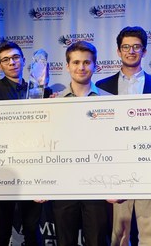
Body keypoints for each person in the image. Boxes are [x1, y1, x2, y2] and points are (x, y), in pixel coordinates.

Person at [96, 26, 151, 246]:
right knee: (119, 234)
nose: (131, 51)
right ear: (118, 51)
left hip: (150, 165)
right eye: (126, 47)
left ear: (144, 51)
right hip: (116, 166)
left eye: (136, 47)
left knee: (150, 233)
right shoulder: (101, 87)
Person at [0, 40, 43, 246]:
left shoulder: (38, 91)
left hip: (32, 168)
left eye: (16, 58)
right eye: (6, 60)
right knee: (2, 227)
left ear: (24, 60)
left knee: (32, 227)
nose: (12, 62)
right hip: (3, 168)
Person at [52, 40, 111, 246]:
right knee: (64, 241)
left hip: (98, 184)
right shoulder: (52, 103)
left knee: (97, 241)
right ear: (67, 66)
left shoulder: (111, 100)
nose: (81, 67)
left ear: (95, 65)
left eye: (87, 62)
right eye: (76, 62)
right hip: (63, 185)